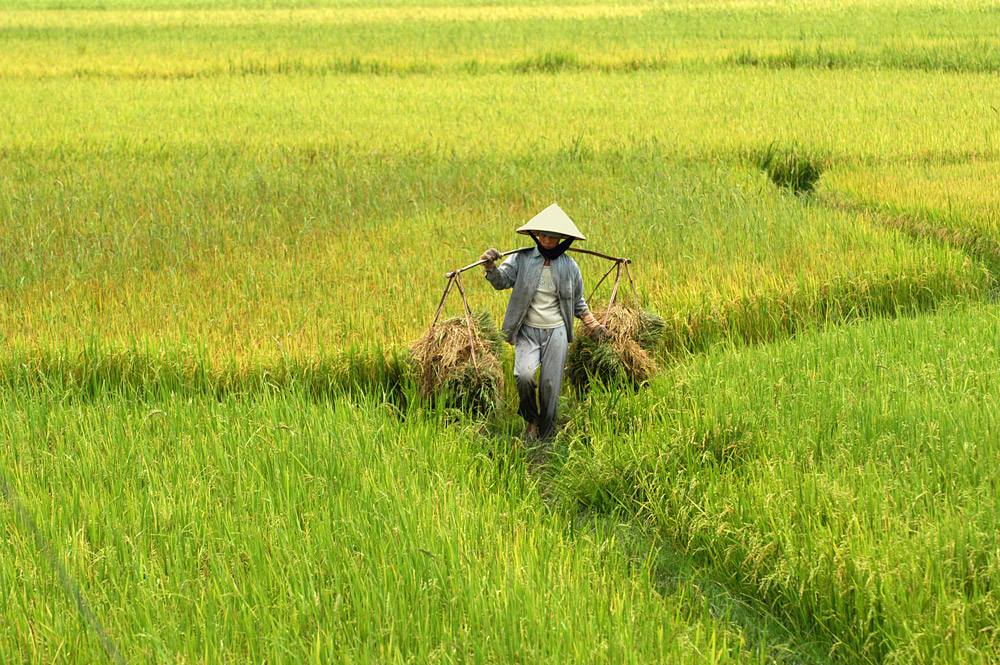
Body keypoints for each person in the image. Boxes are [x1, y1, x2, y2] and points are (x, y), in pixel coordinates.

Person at [480, 203, 608, 441]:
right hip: (527, 331)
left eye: (553, 236)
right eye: (544, 234)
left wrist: (594, 325)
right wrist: (490, 267)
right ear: (537, 235)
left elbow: (578, 302)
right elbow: (502, 281)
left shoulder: (570, 266)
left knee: (550, 385)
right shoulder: (522, 259)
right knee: (524, 376)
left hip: (557, 332)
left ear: (562, 238)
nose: (548, 239)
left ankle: (547, 434)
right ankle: (531, 420)